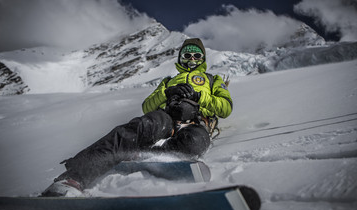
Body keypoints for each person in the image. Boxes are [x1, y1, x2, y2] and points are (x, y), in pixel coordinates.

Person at [42, 38, 233, 197]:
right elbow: (147, 106)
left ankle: (154, 156)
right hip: (168, 117)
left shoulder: (212, 79)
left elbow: (225, 108)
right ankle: (74, 177)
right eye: (187, 55)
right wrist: (166, 93)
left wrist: (199, 96)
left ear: (203, 59)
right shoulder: (168, 81)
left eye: (196, 55)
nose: (192, 59)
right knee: (141, 126)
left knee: (194, 142)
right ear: (181, 58)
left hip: (197, 120)